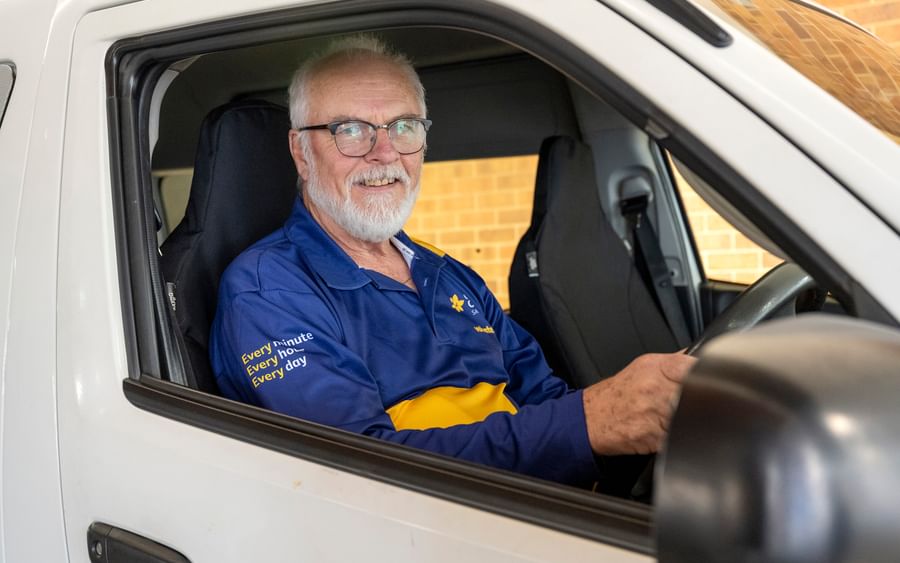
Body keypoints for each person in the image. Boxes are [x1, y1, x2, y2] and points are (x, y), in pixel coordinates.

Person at [209, 35, 695, 486]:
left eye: (403, 127)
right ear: (301, 151)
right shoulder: (268, 288)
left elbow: (543, 395)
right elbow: (361, 469)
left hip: (544, 506)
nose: (384, 153)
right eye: (350, 130)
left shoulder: (445, 271)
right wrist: (591, 422)